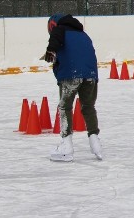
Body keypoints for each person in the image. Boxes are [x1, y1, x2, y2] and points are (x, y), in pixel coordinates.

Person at [44, 14, 103, 162]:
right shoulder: (84, 35)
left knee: (64, 107)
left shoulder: (60, 30)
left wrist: (51, 50)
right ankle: (95, 143)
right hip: (91, 75)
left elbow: (55, 39)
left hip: (71, 74)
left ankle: (66, 146)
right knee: (88, 107)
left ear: (52, 25)